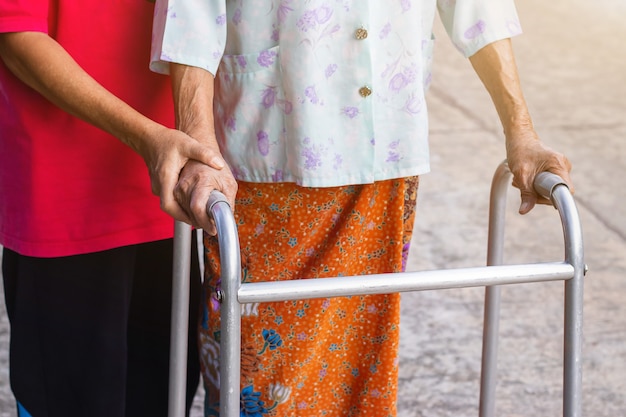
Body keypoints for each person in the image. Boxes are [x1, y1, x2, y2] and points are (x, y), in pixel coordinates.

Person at [150, 1, 574, 416]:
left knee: (364, 369)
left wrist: (521, 132)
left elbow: (480, 9)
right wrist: (200, 146)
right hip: (273, 149)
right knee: (260, 376)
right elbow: (191, 13)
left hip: (386, 144)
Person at [0, 1, 226, 416]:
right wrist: (148, 138)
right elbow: (16, 36)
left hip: (165, 199)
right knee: (66, 401)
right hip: (65, 202)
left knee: (161, 395)